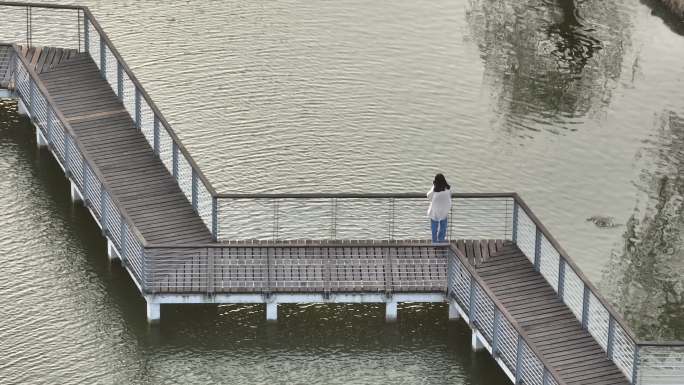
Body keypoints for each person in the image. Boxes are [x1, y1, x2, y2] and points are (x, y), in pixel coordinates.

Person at [427, 173, 451, 243]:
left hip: (435, 211)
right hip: (444, 210)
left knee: (434, 228)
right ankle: (441, 239)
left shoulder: (435, 190)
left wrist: (433, 187)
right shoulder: (448, 189)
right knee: (443, 227)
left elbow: (428, 196)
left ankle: (434, 241)